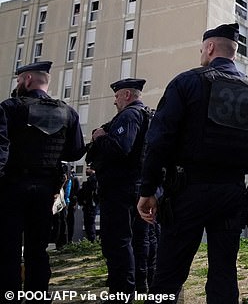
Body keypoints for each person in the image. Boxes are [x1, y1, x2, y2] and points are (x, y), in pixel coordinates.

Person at [137, 23, 248, 303]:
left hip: (186, 192)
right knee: (224, 271)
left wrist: (148, 190)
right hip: (231, 193)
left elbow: (159, 141)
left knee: (169, 273)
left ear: (209, 48)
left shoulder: (187, 82)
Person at [0, 61, 85, 299]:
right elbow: (75, 152)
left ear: (27, 80)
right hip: (46, 189)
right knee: (38, 249)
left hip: (12, 188)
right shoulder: (69, 112)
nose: (17, 85)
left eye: (19, 80)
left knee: (9, 249)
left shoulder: (10, 108)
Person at [88, 77, 151, 300]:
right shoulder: (146, 115)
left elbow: (120, 148)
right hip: (137, 187)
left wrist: (100, 137)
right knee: (139, 240)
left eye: (116, 96)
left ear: (126, 95)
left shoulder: (130, 115)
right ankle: (140, 286)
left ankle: (122, 293)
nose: (115, 101)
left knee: (118, 242)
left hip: (121, 190)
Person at [77, 167, 99, 242]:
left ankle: (92, 239)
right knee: (88, 222)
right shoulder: (89, 180)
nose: (86, 171)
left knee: (90, 222)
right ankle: (91, 238)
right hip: (88, 204)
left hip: (91, 204)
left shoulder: (94, 179)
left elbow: (92, 192)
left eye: (88, 169)